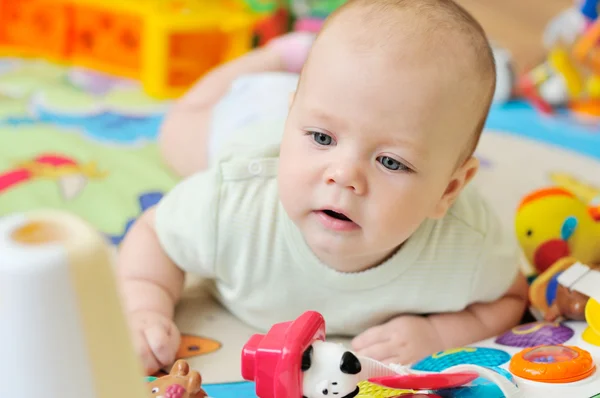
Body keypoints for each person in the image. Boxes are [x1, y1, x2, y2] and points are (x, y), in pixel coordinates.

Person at [117, 0, 529, 375]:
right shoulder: (233, 203)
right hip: (250, 117)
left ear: (448, 190)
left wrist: (439, 334)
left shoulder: (465, 248)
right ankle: (276, 56)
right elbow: (154, 233)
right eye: (321, 138)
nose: (343, 175)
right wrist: (143, 309)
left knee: (342, 109)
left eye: (390, 162)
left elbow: (511, 298)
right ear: (295, 120)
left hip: (319, 104)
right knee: (176, 131)